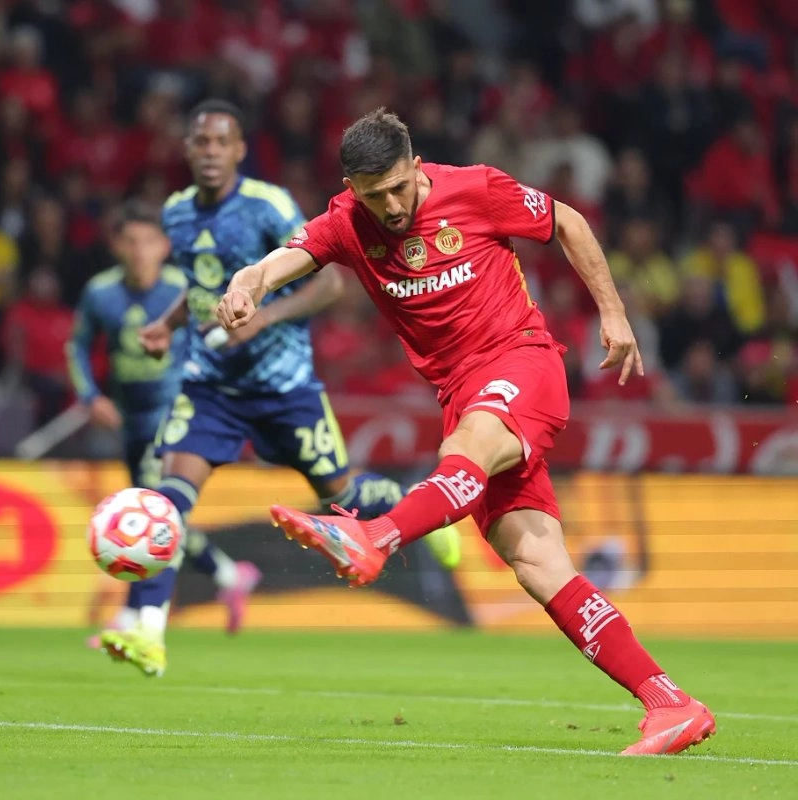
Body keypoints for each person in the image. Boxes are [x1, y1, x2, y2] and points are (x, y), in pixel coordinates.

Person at [216, 108, 715, 756]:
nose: (391, 206)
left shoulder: (474, 188)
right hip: (459, 392)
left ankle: (374, 536)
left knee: (467, 451)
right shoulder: (347, 222)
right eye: (374, 196)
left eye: (398, 188)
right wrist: (245, 283)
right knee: (538, 566)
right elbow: (283, 260)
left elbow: (567, 219)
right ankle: (668, 702)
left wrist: (613, 313)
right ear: (351, 187)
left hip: (522, 362)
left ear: (416, 166)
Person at [98, 99, 462, 677]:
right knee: (166, 499)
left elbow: (328, 288)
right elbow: (198, 289)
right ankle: (147, 631)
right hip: (210, 387)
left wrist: (263, 317)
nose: (211, 152)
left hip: (284, 388)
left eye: (223, 142)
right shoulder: (175, 213)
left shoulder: (269, 206)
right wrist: (167, 327)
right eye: (201, 143)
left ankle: (401, 502)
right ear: (188, 150)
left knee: (340, 495)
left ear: (240, 150)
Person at [67, 201, 261, 647]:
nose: (140, 252)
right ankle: (229, 574)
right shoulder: (100, 292)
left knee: (151, 511)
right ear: (118, 246)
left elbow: (217, 340)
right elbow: (76, 346)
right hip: (129, 416)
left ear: (164, 246)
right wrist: (90, 396)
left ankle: (136, 613)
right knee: (156, 514)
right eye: (130, 242)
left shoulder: (181, 289)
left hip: (173, 411)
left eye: (149, 242)